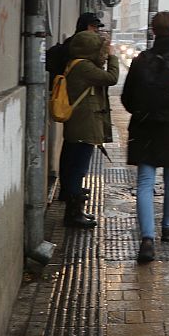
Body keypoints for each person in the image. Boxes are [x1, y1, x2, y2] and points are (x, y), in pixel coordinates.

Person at [121, 11, 169, 263]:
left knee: (145, 182)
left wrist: (142, 113)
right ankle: (168, 227)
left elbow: (126, 97)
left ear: (152, 31)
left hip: (145, 127)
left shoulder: (140, 59)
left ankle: (147, 239)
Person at [60, 30, 119, 227]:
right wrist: (112, 57)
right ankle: (74, 214)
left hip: (78, 125)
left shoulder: (76, 63)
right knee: (78, 169)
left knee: (73, 166)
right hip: (83, 128)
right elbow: (111, 77)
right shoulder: (84, 67)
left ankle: (74, 210)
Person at [48, 13, 107, 203]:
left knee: (71, 156)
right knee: (77, 161)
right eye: (94, 27)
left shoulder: (72, 50)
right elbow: (109, 78)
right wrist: (109, 56)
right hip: (82, 115)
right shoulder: (81, 61)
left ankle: (71, 191)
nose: (97, 32)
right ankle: (72, 201)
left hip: (74, 111)